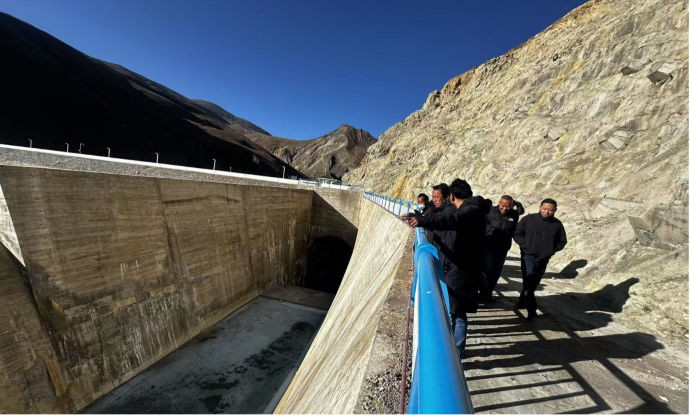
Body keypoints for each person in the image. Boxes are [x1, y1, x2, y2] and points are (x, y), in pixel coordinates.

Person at [407, 179, 491, 360]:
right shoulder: (473, 209)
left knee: (457, 311)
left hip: (463, 268)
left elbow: (450, 220)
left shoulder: (468, 211)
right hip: (462, 265)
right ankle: (453, 350)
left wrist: (422, 220)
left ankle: (456, 353)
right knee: (454, 309)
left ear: (451, 196)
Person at [513, 198, 568, 320]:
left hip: (543, 259)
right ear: (540, 208)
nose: (546, 212)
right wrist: (524, 245)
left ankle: (522, 301)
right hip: (528, 256)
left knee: (533, 283)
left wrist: (552, 250)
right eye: (544, 209)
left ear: (555, 210)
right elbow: (517, 233)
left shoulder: (557, 225)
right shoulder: (528, 219)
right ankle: (532, 310)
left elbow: (562, 241)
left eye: (550, 210)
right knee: (529, 282)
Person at [481, 195, 525, 303]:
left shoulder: (514, 214)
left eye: (508, 206)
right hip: (489, 245)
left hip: (503, 247)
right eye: (503, 206)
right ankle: (482, 292)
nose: (505, 208)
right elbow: (482, 226)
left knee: (497, 271)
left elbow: (520, 211)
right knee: (488, 269)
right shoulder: (490, 211)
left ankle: (489, 293)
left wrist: (517, 203)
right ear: (499, 203)